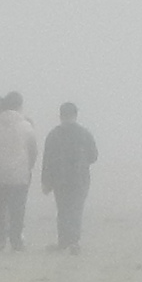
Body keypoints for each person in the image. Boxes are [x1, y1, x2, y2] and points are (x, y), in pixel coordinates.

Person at [0, 93, 39, 251]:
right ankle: (16, 241)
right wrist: (28, 166)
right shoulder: (26, 126)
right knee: (17, 208)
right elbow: (33, 150)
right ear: (20, 105)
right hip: (19, 173)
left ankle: (0, 241)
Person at [40, 101, 98, 252]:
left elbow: (47, 160)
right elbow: (94, 156)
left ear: (60, 116)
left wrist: (46, 182)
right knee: (76, 210)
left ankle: (63, 241)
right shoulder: (85, 134)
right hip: (80, 179)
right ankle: (74, 241)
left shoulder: (54, 134)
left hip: (60, 180)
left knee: (63, 210)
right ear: (76, 115)